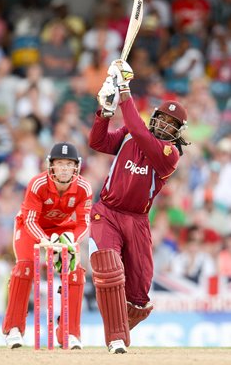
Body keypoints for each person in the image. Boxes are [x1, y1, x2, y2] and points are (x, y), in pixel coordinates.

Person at [88, 58, 190, 354]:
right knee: (108, 268)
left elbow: (139, 129)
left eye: (172, 124)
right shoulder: (131, 133)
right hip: (106, 212)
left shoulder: (170, 155)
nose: (164, 125)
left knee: (139, 296)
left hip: (138, 220)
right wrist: (104, 112)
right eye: (162, 118)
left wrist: (123, 90)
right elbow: (98, 143)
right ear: (155, 116)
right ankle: (116, 338)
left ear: (178, 132)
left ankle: (119, 323)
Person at [2, 142, 92, 349]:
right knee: (25, 268)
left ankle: (69, 332)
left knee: (75, 272)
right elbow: (30, 220)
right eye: (59, 163)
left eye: (68, 164)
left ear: (76, 167)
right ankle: (14, 329)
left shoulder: (84, 187)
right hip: (30, 227)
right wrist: (45, 240)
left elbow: (83, 223)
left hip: (62, 229)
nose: (64, 169)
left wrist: (71, 240)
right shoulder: (37, 184)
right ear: (51, 165)